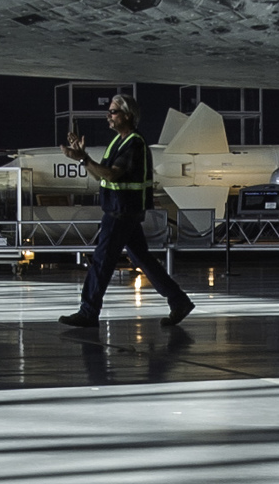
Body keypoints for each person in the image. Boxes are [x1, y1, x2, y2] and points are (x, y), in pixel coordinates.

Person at [59, 92, 195, 327]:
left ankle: (89, 312)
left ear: (128, 116)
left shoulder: (134, 143)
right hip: (123, 210)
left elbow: (113, 174)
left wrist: (84, 160)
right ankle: (179, 301)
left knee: (102, 260)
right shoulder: (121, 141)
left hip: (121, 212)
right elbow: (103, 174)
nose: (108, 116)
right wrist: (83, 159)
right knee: (142, 258)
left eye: (113, 112)